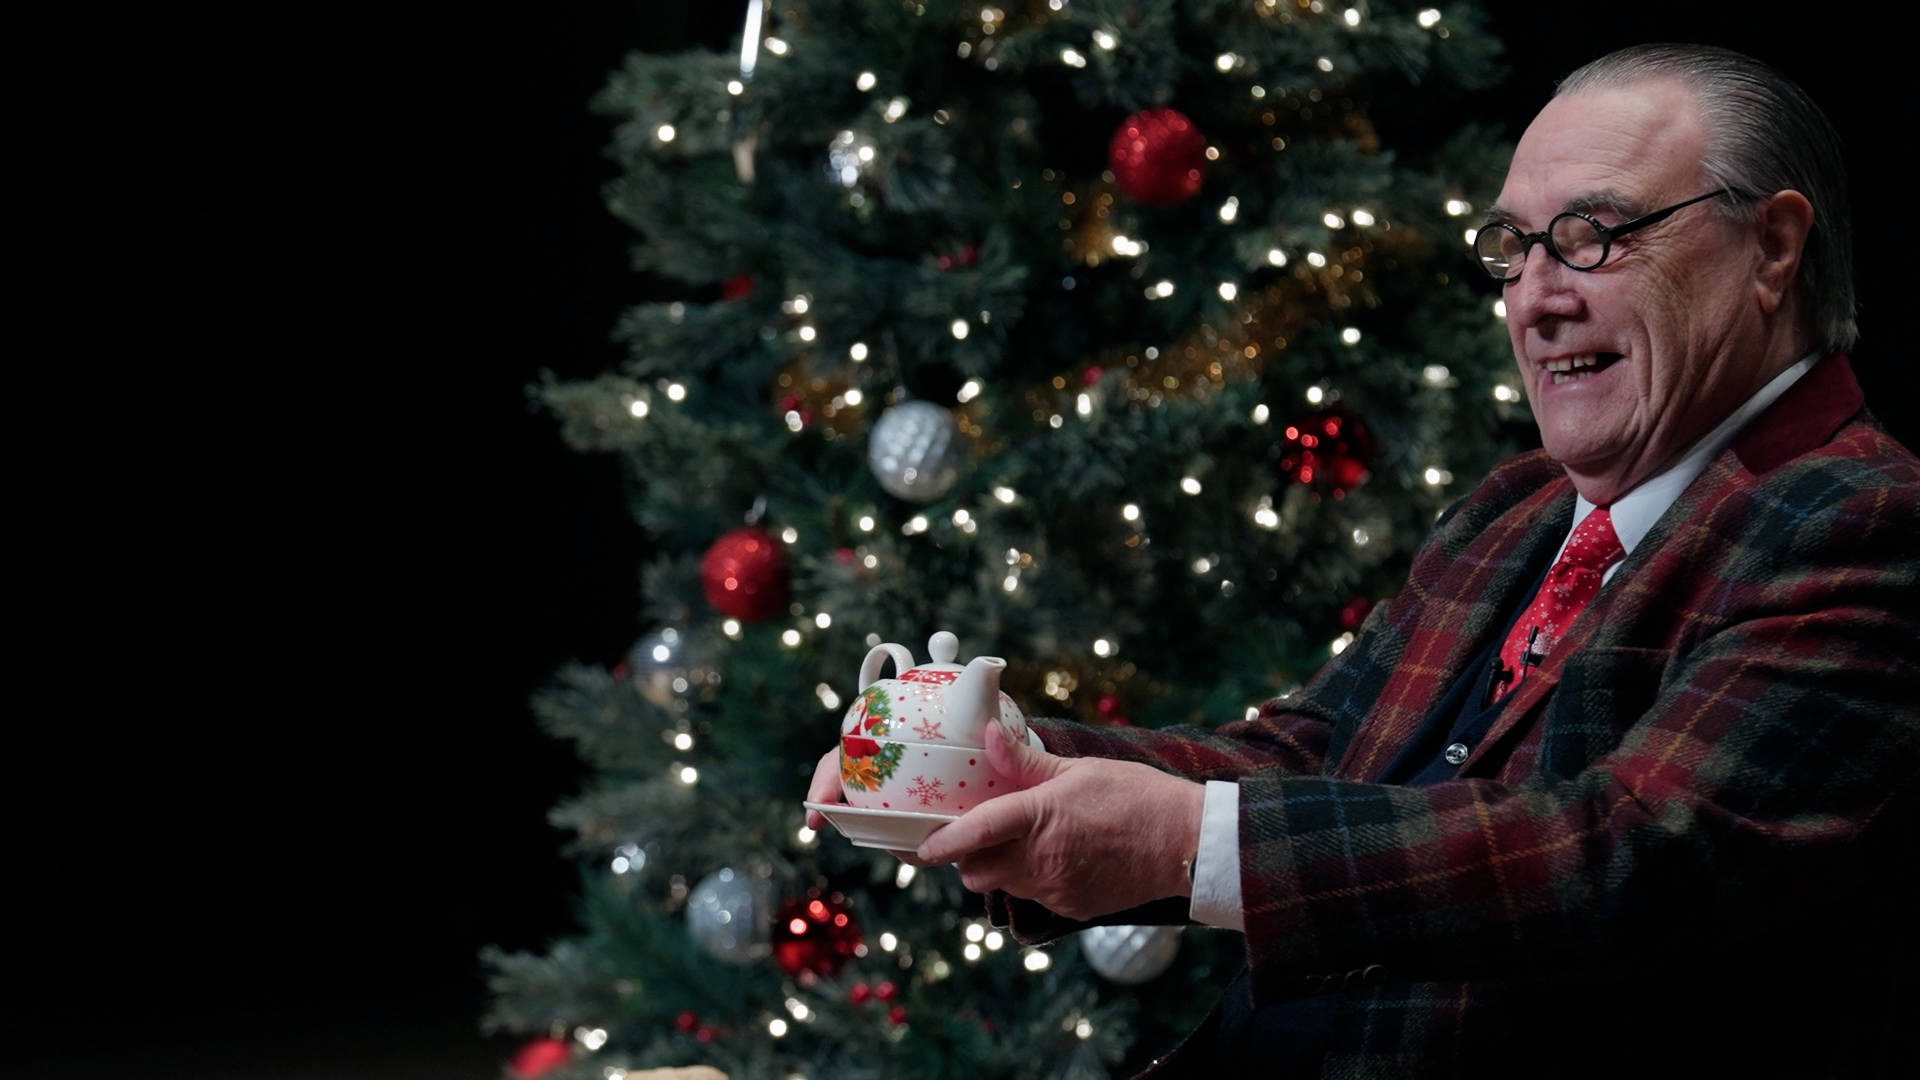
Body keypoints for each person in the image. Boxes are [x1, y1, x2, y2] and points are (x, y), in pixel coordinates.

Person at [807, 43, 1917, 1076]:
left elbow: (1631, 854)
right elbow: (1319, 752)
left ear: (1773, 246)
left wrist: (1184, 844)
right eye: (1512, 249)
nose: (1536, 297)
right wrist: (1017, 762)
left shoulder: (1860, 518)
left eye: (1595, 235)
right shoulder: (1519, 508)